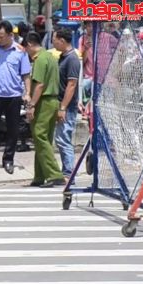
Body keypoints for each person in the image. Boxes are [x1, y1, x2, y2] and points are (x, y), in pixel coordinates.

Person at [0, 20, 31, 174]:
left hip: (14, 96)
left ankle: (8, 159)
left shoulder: (20, 52)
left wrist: (27, 93)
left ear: (10, 35)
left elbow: (26, 74)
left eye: (1, 37)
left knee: (13, 130)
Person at [24, 32, 66, 188]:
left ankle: (54, 174)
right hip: (53, 101)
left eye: (25, 49)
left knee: (39, 136)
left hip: (44, 101)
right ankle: (40, 175)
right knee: (45, 139)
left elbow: (39, 84)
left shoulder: (40, 59)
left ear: (29, 44)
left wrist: (32, 105)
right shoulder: (51, 57)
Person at [53, 27, 80, 182]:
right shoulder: (63, 57)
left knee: (64, 138)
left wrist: (63, 107)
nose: (53, 43)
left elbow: (71, 85)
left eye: (55, 40)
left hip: (67, 106)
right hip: (61, 104)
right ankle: (66, 171)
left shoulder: (72, 59)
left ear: (62, 41)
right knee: (60, 139)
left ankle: (69, 173)